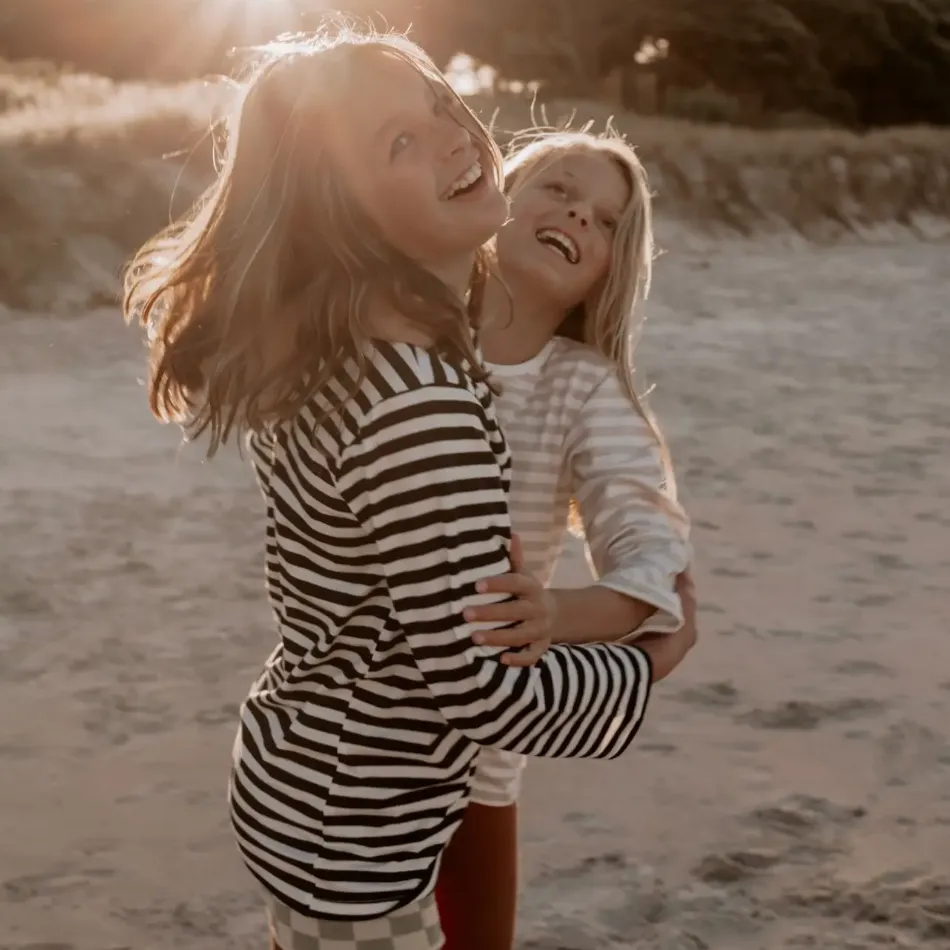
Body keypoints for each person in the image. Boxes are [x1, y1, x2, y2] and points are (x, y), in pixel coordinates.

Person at [123, 28, 694, 950]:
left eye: (436, 101)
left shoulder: (353, 350)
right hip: (355, 826)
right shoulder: (417, 403)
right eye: (398, 142)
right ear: (339, 209)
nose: (453, 134)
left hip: (308, 776)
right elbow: (483, 695)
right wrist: (650, 664)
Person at [433, 130, 695, 950]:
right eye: (556, 187)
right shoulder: (402, 340)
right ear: (495, 200)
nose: (579, 212)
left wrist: (554, 612)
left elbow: (654, 573)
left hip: (478, 764)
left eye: (608, 220)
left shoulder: (583, 390)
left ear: (611, 268)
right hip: (351, 736)